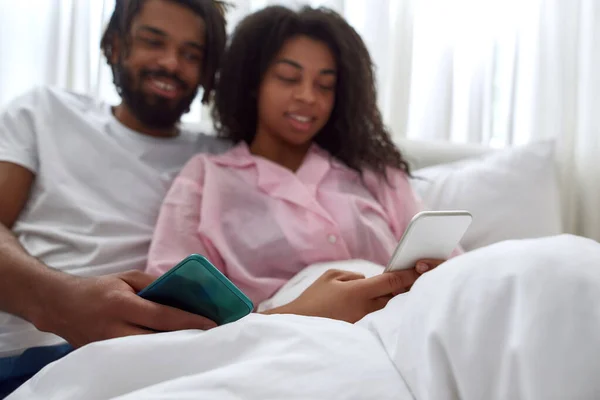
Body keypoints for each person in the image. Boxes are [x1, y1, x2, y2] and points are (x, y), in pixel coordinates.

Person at [0, 1, 423, 396]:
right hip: (44, 346)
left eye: (191, 53)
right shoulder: (47, 111)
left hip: (164, 343)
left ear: (210, 73)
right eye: (153, 41)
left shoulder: (221, 152)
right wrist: (60, 302)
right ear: (114, 44)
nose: (170, 63)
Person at [146, 6, 454, 312]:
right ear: (254, 83)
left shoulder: (371, 172)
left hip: (404, 322)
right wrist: (299, 314)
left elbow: (455, 266)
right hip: (282, 342)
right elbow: (174, 304)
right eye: (288, 77)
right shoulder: (207, 178)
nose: (308, 96)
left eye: (325, 85)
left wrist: (433, 274)